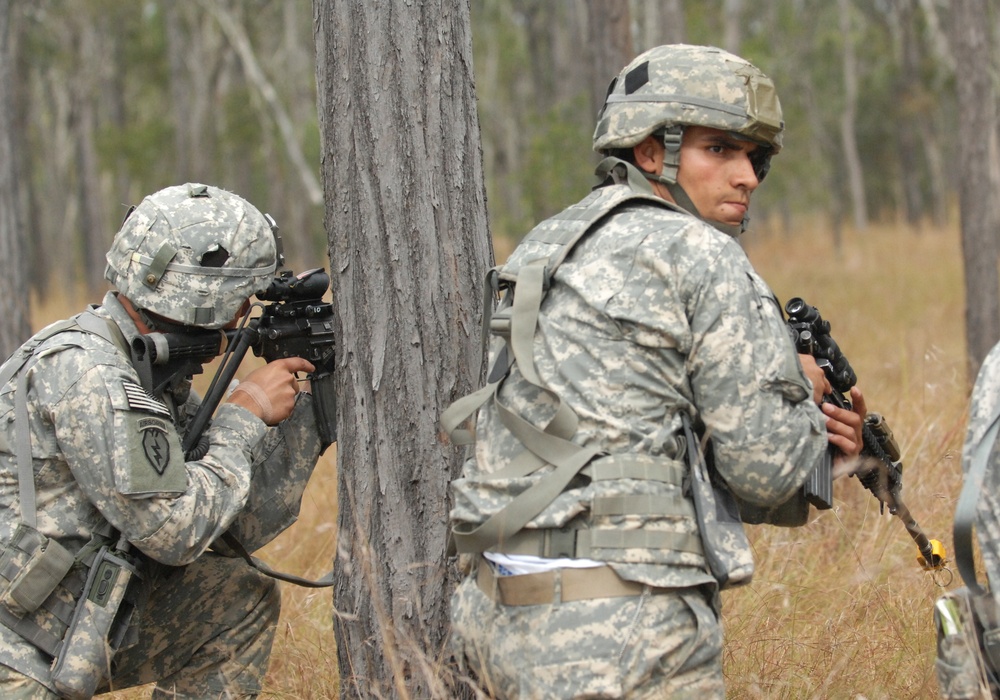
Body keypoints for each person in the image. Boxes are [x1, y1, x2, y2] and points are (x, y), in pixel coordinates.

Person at [445, 44, 866, 698]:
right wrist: (806, 409)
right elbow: (768, 474)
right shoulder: (704, 255)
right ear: (650, 153)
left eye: (754, 158)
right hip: (620, 631)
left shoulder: (545, 245)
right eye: (719, 149)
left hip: (489, 616)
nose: (747, 176)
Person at [0, 183, 326, 698]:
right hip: (19, 651)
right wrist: (243, 415)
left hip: (65, 619)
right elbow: (178, 531)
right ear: (203, 297)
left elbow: (237, 523)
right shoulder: (92, 377)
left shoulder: (144, 370)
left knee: (235, 601)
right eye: (240, 299)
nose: (243, 314)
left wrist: (313, 405)